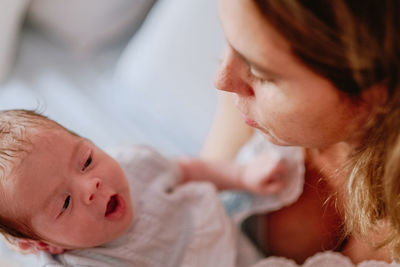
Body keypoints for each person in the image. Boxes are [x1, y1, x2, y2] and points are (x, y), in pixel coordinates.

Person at [203, 0, 400, 265]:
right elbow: (198, 198)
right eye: (228, 40)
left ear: (375, 91)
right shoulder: (246, 96)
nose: (222, 80)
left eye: (260, 73)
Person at [0, 109, 299, 267]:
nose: (91, 185)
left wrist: (242, 175)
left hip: (236, 251)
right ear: (42, 244)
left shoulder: (135, 164)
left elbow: (185, 170)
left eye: (86, 160)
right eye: (64, 203)